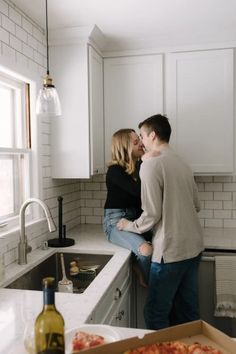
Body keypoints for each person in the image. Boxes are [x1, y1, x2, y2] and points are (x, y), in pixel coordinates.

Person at [117, 114, 204, 330]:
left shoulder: (151, 165)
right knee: (187, 316)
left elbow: (151, 214)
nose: (142, 142)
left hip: (170, 253)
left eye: (142, 137)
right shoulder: (182, 162)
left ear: (152, 135)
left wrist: (129, 225)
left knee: (156, 315)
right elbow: (197, 205)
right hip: (193, 249)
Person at [103, 128, 153, 287]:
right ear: (124, 147)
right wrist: (147, 159)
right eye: (136, 142)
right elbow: (140, 192)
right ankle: (145, 279)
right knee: (146, 251)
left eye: (140, 139)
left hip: (134, 220)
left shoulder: (139, 167)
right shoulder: (115, 171)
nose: (141, 143)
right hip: (115, 222)